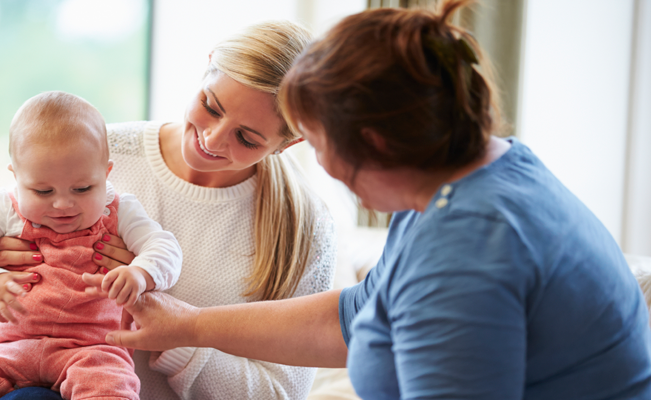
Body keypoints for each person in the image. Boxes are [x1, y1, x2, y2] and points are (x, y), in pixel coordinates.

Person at [99, 2, 651, 399]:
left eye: (313, 142)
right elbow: (360, 315)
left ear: (375, 145)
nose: (316, 164)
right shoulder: (474, 177)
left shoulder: (470, 249)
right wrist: (189, 326)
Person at [0, 21, 337, 400]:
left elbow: (280, 393)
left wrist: (178, 335)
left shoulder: (305, 226)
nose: (211, 139)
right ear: (209, 63)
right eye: (210, 106)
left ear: (290, 142)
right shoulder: (95, 152)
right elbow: (15, 342)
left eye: (247, 138)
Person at [0, 91, 183, 400]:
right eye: (42, 191)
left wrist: (141, 273)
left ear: (106, 174)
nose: (63, 204)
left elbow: (165, 248)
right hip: (14, 348)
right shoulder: (2, 207)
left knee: (112, 391)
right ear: (16, 177)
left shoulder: (121, 212)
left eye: (82, 188)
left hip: (93, 351)